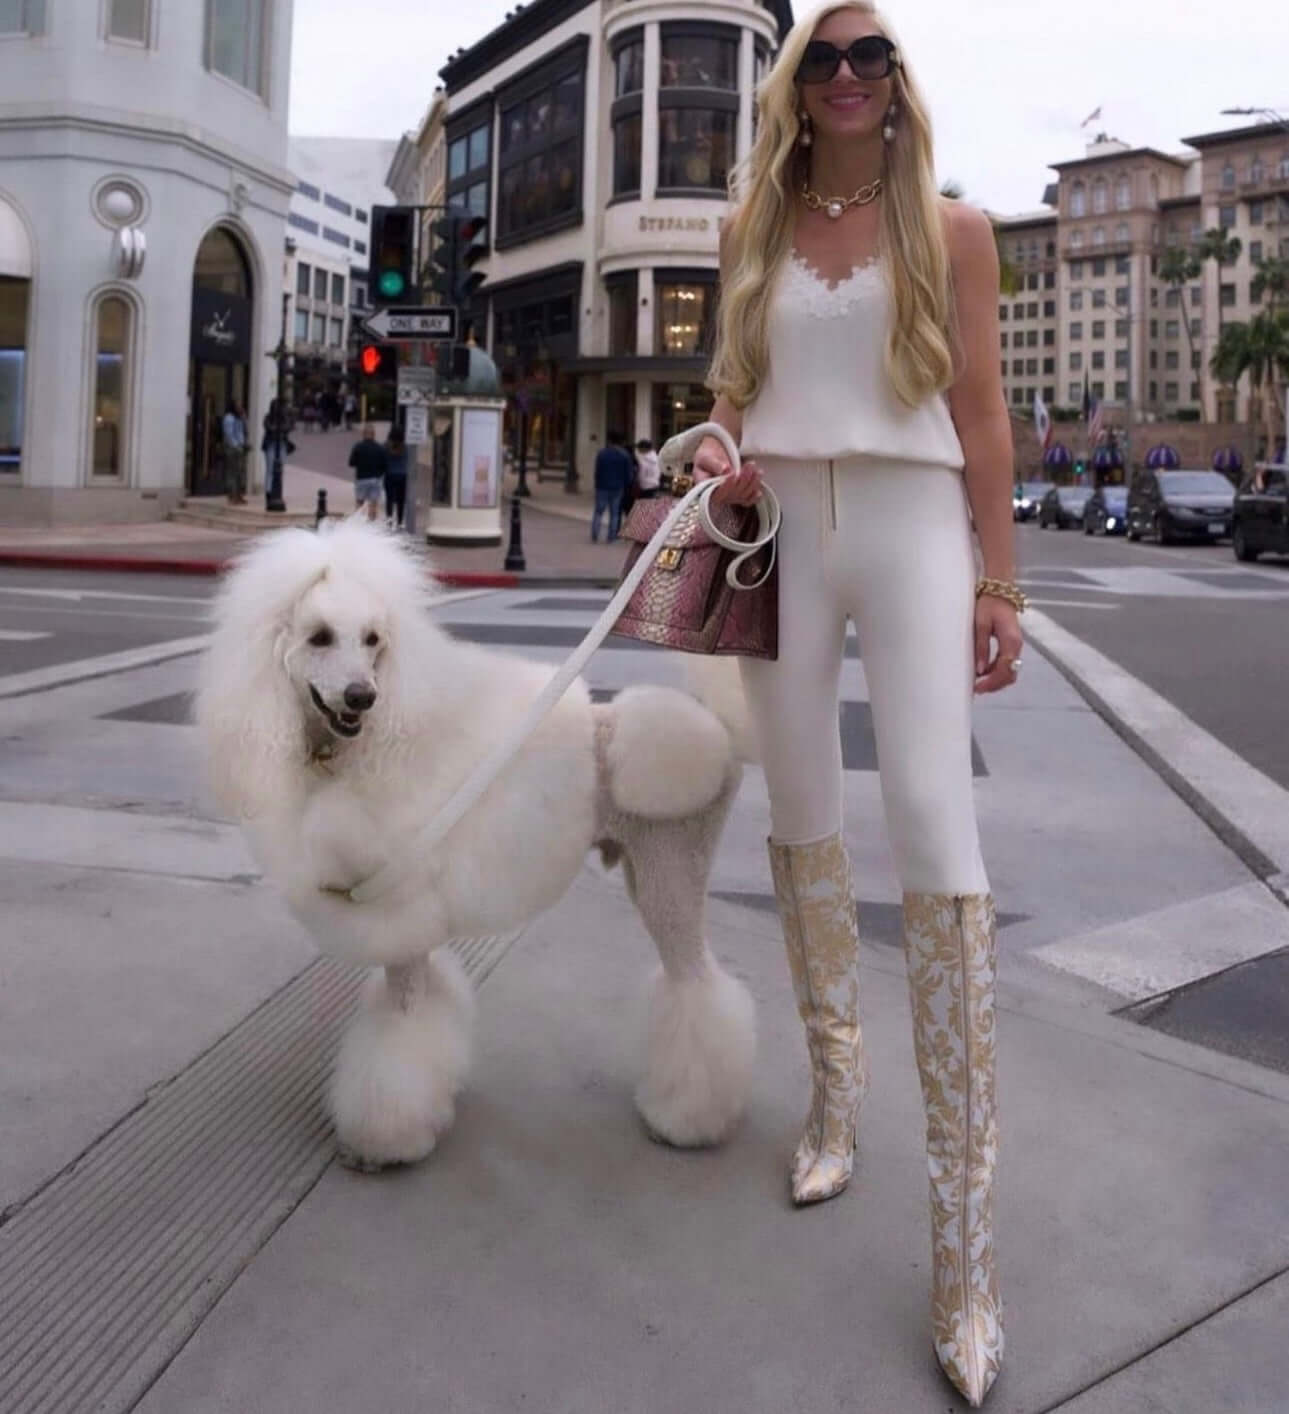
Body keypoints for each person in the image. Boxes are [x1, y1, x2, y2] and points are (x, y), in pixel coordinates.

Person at [692, 4, 1022, 1405]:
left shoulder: (954, 229)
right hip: (779, 531)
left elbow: (985, 412)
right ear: (794, 83)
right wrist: (720, 452)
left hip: (909, 521)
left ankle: (964, 1251)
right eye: (819, 57)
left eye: (866, 54)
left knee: (938, 836)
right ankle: (835, 1096)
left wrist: (1000, 580)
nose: (841, 76)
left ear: (896, 81)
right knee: (801, 810)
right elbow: (732, 391)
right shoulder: (750, 224)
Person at [591, 429, 634, 542]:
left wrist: (596, 483)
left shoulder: (602, 453)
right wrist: (626, 484)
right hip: (618, 487)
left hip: (602, 486)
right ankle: (611, 536)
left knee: (598, 511)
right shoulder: (624, 455)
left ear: (609, 440)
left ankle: (595, 533)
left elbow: (597, 470)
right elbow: (628, 474)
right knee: (614, 513)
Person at [348, 423, 388, 522]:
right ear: (374, 434)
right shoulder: (380, 448)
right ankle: (372, 524)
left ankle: (358, 523)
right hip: (375, 479)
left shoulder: (358, 447)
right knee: (373, 504)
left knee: (359, 503)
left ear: (363, 434)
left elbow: (351, 463)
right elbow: (385, 465)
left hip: (361, 478)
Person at [261, 399, 295, 511]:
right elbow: (269, 427)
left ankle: (277, 493)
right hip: (271, 444)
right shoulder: (268, 417)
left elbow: (288, 427)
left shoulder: (284, 417)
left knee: (279, 469)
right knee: (271, 470)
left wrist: (282, 426)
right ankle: (269, 495)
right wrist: (279, 429)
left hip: (281, 444)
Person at [221, 400, 248, 505]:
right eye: (238, 406)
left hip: (240, 447)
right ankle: (232, 495)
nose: (240, 408)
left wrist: (244, 418)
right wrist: (236, 446)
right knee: (233, 472)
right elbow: (229, 435)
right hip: (232, 448)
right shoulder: (229, 418)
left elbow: (244, 431)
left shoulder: (239, 418)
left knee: (240, 472)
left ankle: (239, 495)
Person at [384, 427, 409, 530]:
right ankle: (400, 521)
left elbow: (382, 457)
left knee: (389, 498)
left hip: (389, 474)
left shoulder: (386, 446)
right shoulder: (405, 447)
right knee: (401, 499)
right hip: (402, 475)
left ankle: (389, 518)